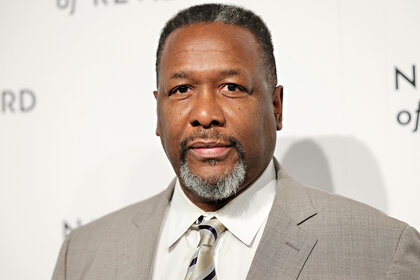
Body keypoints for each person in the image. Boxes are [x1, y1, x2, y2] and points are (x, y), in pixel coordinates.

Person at [52, 3, 420, 280]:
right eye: (181, 90)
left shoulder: (383, 253)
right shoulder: (83, 254)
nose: (205, 113)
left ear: (276, 107)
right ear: (158, 113)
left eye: (231, 87)